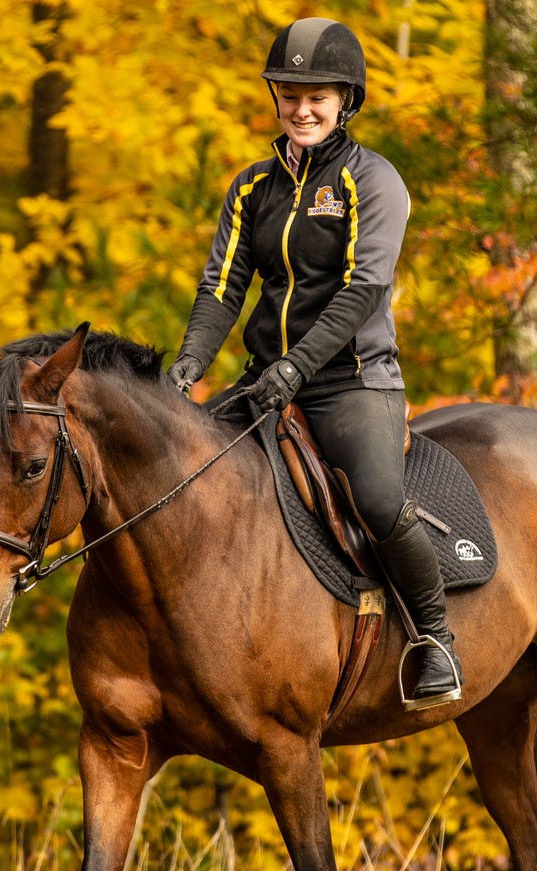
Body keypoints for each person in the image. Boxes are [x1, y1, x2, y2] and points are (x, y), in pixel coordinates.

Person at [168, 18, 462, 709]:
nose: (302, 108)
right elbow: (223, 285)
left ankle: (436, 638)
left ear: (345, 101)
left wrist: (297, 369)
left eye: (317, 96)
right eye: (290, 94)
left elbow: (364, 291)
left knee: (380, 501)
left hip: (352, 384)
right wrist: (188, 364)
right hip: (265, 380)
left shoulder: (373, 180)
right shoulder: (251, 188)